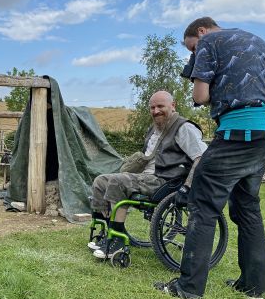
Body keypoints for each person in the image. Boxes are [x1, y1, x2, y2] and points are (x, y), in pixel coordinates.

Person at [155, 17, 265, 299]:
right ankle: (253, 288)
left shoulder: (209, 41)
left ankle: (188, 289)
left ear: (201, 31)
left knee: (202, 204)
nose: (193, 55)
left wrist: (213, 89)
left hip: (236, 131)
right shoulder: (259, 42)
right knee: (247, 208)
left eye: (192, 48)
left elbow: (201, 95)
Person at [88, 90, 207, 259]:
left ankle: (117, 242)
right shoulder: (154, 128)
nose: (156, 111)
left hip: (166, 180)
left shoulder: (184, 128)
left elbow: (201, 158)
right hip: (148, 176)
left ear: (173, 106)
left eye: (160, 106)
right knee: (100, 181)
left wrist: (187, 187)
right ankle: (107, 232)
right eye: (152, 107)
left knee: (117, 181)